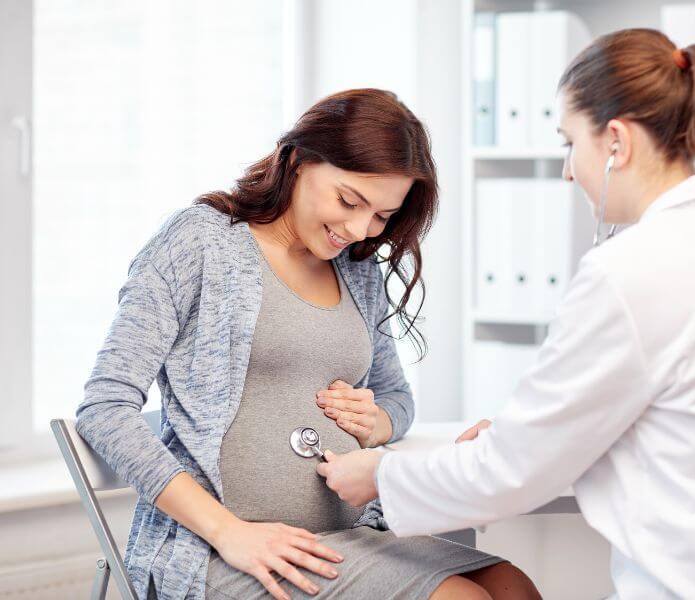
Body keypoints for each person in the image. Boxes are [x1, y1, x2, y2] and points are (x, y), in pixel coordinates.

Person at [318, 30, 695, 599]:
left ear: (616, 141)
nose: (569, 171)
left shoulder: (631, 272)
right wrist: (542, 432)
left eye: (570, 142)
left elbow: (512, 473)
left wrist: (381, 475)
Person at [76, 89, 539, 599]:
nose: (359, 229)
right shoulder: (201, 242)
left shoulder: (357, 269)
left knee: (513, 587)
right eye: (348, 201)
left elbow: (397, 399)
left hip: (354, 534)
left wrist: (375, 421)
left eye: (382, 215)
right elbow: (104, 409)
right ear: (298, 161)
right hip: (224, 551)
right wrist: (228, 533)